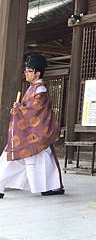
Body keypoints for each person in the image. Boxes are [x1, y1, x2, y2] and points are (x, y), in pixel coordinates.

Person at [0, 54, 64, 199]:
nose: (26, 73)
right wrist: (19, 108)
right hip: (31, 133)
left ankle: (49, 187)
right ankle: (48, 187)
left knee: (18, 159)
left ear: (37, 73)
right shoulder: (33, 88)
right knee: (34, 160)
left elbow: (36, 110)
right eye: (26, 70)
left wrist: (20, 110)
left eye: (29, 71)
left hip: (34, 133)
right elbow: (28, 108)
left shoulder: (40, 90)